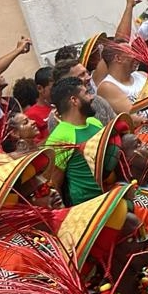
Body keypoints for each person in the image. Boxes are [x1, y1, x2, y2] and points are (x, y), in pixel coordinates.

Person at [44, 76, 104, 205]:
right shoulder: (59, 137)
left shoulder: (94, 122)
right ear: (74, 100)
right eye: (86, 93)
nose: (92, 97)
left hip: (113, 193)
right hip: (88, 205)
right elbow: (55, 183)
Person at [95, 42, 148, 116]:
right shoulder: (107, 87)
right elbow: (134, 118)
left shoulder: (143, 75)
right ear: (118, 58)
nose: (136, 57)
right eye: (131, 53)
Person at [24, 66, 53, 142]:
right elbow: (35, 147)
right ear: (40, 88)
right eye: (52, 88)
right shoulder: (30, 115)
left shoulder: (64, 105)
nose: (58, 91)